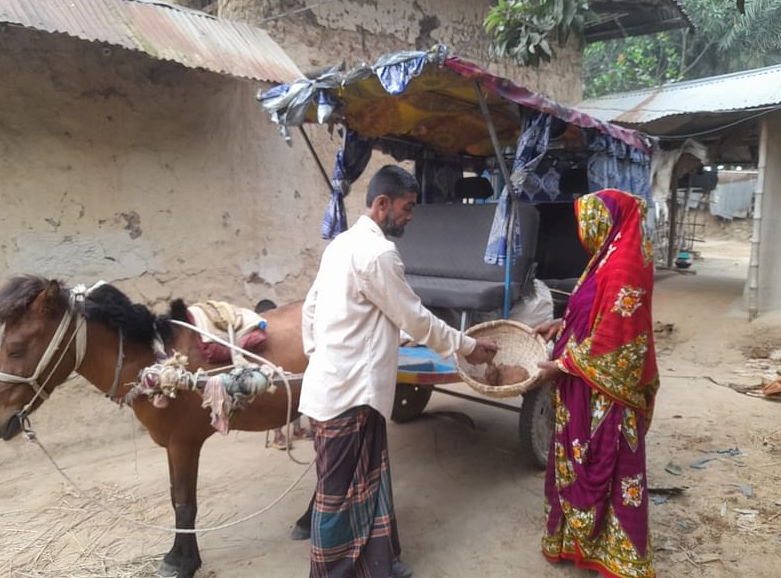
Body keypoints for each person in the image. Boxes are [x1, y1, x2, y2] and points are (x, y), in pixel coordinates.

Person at [300, 165, 498, 578]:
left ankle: (378, 564)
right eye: (407, 209)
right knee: (337, 496)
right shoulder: (379, 254)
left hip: (339, 387)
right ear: (382, 204)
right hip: (348, 394)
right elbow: (416, 319)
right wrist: (469, 348)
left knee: (368, 483)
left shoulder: (340, 244)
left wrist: (320, 358)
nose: (410, 217)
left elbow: (310, 310)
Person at [534, 189, 660, 578]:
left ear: (608, 220)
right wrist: (561, 325)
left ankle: (619, 554)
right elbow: (591, 312)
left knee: (611, 467)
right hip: (583, 383)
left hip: (607, 392)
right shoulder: (605, 257)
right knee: (576, 463)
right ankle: (576, 542)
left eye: (589, 220)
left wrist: (563, 364)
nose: (584, 230)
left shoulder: (625, 266)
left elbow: (616, 338)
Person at [254, 298, 314, 450]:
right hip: (271, 367)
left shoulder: (280, 332)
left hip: (286, 365)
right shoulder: (257, 334)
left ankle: (296, 430)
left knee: (296, 390)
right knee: (277, 392)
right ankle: (278, 435)